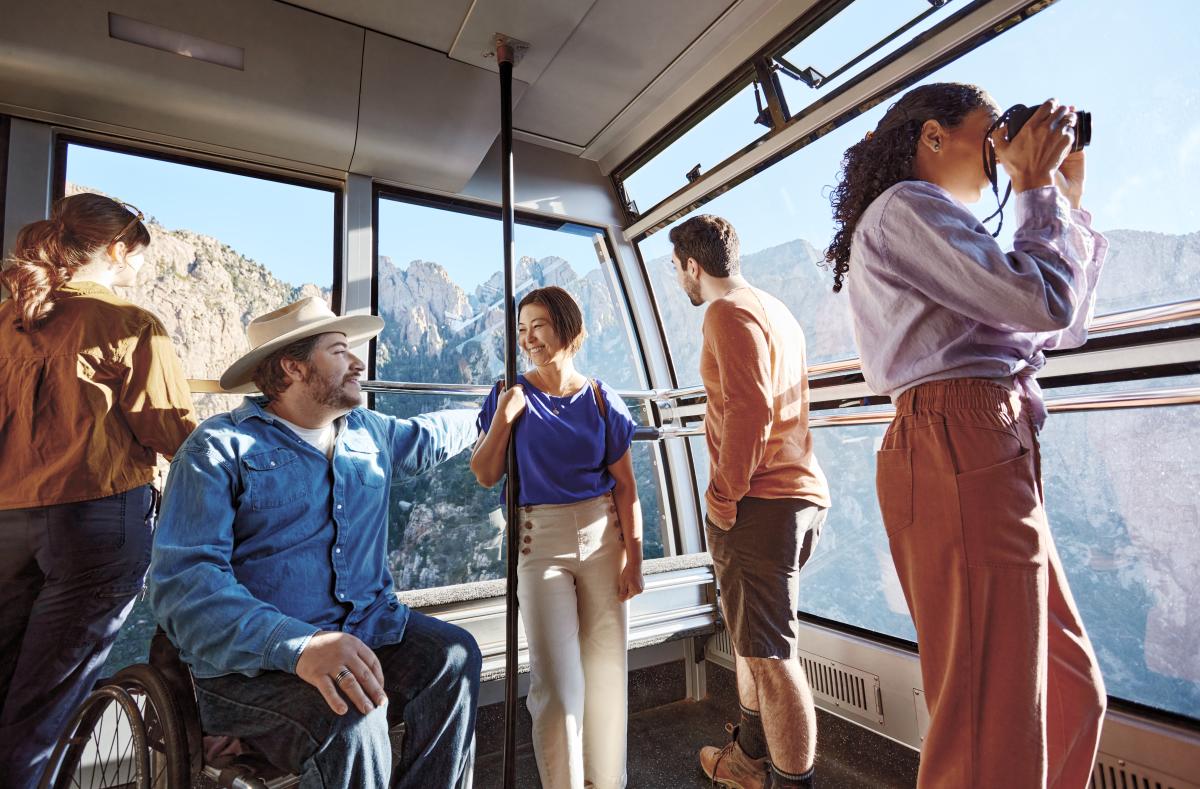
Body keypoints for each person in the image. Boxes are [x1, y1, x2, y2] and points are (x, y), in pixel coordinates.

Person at [825, 82, 1107, 787]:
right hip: (958, 438)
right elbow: (1042, 301)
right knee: (988, 729)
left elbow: (1060, 321)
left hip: (990, 441)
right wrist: (1034, 187)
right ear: (931, 137)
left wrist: (1059, 199)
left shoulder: (946, 227)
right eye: (991, 134)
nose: (1000, 152)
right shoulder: (904, 211)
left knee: (1071, 691)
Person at [148, 296, 482, 789]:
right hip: (258, 669)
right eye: (339, 350)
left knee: (453, 656)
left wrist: (491, 408)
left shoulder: (368, 432)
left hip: (369, 630)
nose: (359, 362)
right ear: (293, 366)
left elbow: (428, 436)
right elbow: (186, 587)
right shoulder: (217, 449)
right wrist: (301, 646)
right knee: (350, 716)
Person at [0, 193, 197, 787]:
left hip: (8, 520)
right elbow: (168, 430)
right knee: (44, 706)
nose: (138, 270)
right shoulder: (129, 324)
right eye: (137, 256)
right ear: (115, 249)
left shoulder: (11, 321)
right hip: (97, 525)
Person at [669, 216, 831, 789]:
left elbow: (751, 410)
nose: (678, 280)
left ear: (693, 265)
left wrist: (721, 495)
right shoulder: (775, 309)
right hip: (796, 497)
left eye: (675, 268)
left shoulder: (724, 311)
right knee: (754, 642)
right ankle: (749, 762)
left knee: (773, 658)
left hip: (761, 502)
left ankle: (789, 782)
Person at [470, 285, 644, 789]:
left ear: (567, 327)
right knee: (559, 685)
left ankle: (606, 781)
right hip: (538, 542)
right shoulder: (510, 392)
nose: (528, 339)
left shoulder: (599, 397)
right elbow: (484, 473)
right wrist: (503, 417)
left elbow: (626, 486)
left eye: (538, 326)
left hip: (604, 537)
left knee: (607, 672)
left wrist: (634, 558)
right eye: (521, 330)